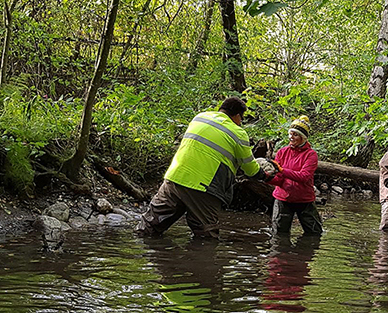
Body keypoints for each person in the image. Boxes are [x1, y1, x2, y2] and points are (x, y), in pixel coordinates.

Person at [136, 96, 272, 239]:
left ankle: (143, 254)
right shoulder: (238, 133)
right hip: (204, 187)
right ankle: (200, 261)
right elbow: (250, 169)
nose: (241, 122)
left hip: (174, 177)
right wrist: (264, 175)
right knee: (206, 236)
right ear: (237, 115)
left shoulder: (200, 118)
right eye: (241, 119)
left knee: (149, 226)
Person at [268, 115, 323, 235]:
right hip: (283, 199)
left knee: (314, 234)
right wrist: (267, 177)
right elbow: (279, 180)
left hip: (304, 200)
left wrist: (282, 170)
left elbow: (304, 177)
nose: (291, 137)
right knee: (279, 235)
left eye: (295, 134)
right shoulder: (282, 152)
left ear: (303, 138)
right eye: (290, 134)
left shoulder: (311, 155)